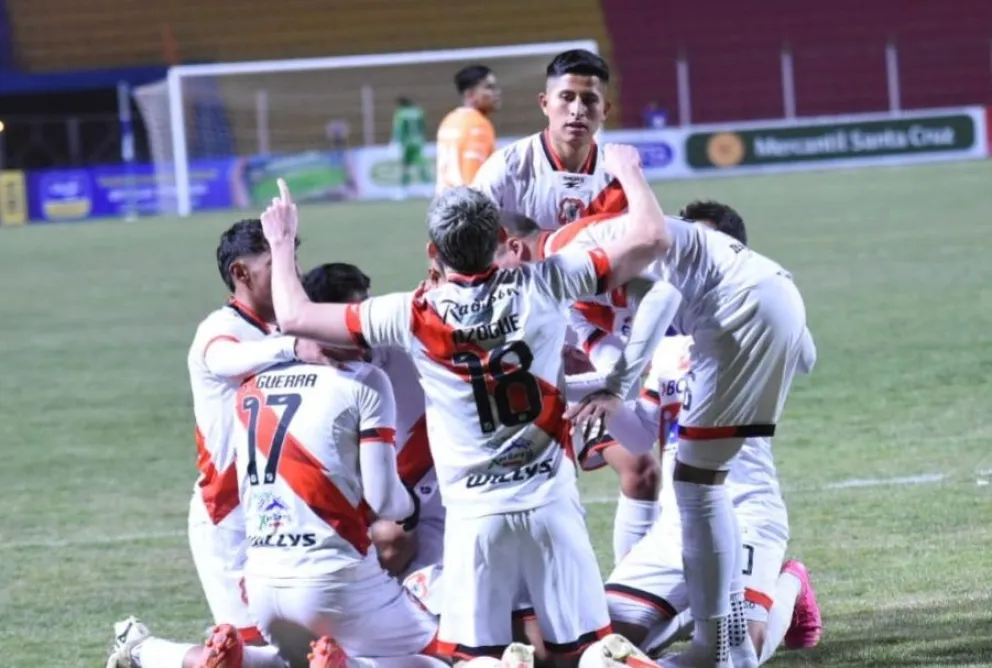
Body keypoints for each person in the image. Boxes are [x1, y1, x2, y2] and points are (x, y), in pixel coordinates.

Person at [257, 144, 668, 666]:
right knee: (587, 653)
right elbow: (651, 237)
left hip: (474, 519)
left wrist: (283, 239)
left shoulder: (410, 314)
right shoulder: (546, 281)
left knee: (476, 657)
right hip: (551, 506)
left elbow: (293, 316)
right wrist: (629, 171)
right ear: (501, 240)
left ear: (433, 253)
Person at [534, 209, 811, 668]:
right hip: (676, 528)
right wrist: (593, 398)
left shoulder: (745, 331)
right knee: (595, 645)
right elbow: (643, 436)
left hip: (747, 512)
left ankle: (791, 585)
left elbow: (805, 356)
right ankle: (685, 620)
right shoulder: (662, 345)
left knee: (743, 656)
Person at [106, 219, 326, 668]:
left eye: (293, 260)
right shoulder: (220, 329)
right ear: (242, 274)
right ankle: (142, 650)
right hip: (230, 520)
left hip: (286, 515)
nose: (293, 272)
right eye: (277, 263)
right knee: (256, 660)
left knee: (309, 653)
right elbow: (226, 359)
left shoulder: (284, 328)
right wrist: (292, 346)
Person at [473, 48, 663, 568]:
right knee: (536, 486)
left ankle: (630, 600)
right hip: (519, 351)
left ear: (605, 108)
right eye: (567, 98)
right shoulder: (506, 171)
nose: (577, 110)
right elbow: (466, 262)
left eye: (589, 100)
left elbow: (641, 258)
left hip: (593, 344)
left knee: (643, 466)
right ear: (545, 103)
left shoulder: (619, 173)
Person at [436, 65, 500, 193]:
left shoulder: (449, 120)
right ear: (470, 94)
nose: (497, 92)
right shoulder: (478, 125)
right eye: (489, 87)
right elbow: (472, 177)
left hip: (443, 205)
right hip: (466, 207)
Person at [391, 97, 430, 198]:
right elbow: (423, 126)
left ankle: (403, 191)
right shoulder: (418, 112)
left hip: (406, 143)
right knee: (422, 165)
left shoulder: (401, 114)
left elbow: (399, 130)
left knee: (405, 167)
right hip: (418, 142)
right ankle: (428, 188)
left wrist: (396, 142)